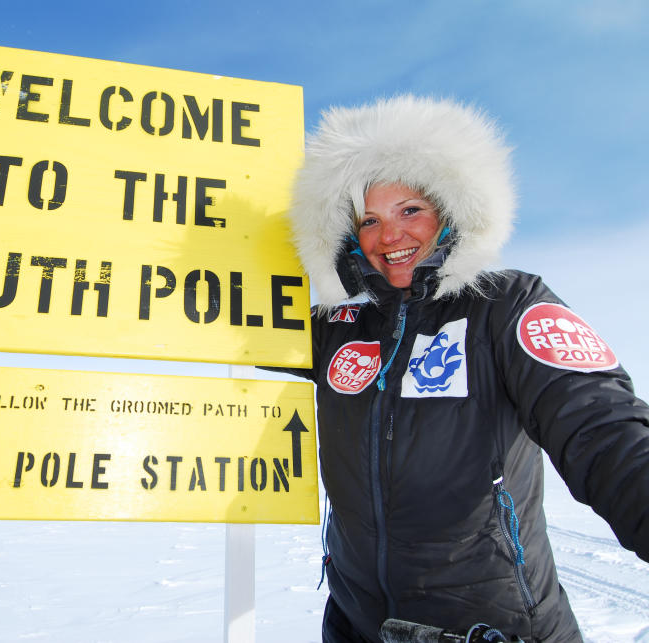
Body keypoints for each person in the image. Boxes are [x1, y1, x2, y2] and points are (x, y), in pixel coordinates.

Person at [275, 95, 649, 642]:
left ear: (450, 208)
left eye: (410, 210)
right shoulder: (336, 326)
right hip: (358, 627)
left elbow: (601, 425)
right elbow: (221, 322)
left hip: (496, 629)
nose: (389, 237)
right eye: (369, 220)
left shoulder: (508, 305)